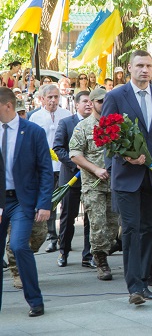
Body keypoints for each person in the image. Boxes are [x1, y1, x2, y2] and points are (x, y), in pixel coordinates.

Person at [101, 50, 152, 305]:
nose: (145, 70)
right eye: (140, 66)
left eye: (149, 66)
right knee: (132, 230)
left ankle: (144, 281)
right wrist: (126, 157)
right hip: (127, 177)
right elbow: (106, 136)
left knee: (148, 229)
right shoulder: (115, 96)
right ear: (129, 68)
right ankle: (134, 286)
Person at [0, 86, 54, 316]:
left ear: (8, 106)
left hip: (22, 200)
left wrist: (44, 204)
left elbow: (45, 170)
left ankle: (35, 300)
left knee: (19, 245)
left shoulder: (33, 132)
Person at [69, 88, 119, 280]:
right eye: (100, 102)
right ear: (92, 103)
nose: (103, 105)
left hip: (114, 185)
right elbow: (75, 154)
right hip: (93, 185)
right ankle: (101, 261)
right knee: (98, 225)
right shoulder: (83, 127)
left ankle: (104, 250)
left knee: (112, 227)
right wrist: (96, 169)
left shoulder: (116, 124)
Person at [29, 84, 72, 253]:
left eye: (56, 97)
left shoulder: (67, 115)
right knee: (49, 202)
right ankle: (52, 237)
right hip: (44, 167)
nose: (53, 100)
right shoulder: (35, 117)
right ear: (42, 99)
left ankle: (64, 238)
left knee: (66, 205)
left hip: (64, 166)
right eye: (50, 97)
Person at [53, 91, 93, 268]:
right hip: (71, 177)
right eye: (85, 101)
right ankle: (64, 251)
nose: (88, 104)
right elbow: (58, 148)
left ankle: (88, 254)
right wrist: (75, 163)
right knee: (68, 216)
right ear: (76, 104)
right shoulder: (66, 123)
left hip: (92, 178)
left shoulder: (97, 124)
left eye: (91, 101)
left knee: (91, 218)